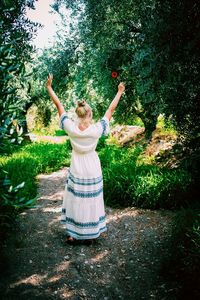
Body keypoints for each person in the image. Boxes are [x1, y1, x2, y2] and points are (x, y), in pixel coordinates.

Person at [46, 74, 125, 243]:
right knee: (91, 200)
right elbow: (110, 110)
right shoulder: (96, 129)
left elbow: (58, 105)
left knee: (76, 199)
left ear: (78, 114)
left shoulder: (70, 127)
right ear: (90, 114)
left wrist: (49, 87)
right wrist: (119, 91)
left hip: (77, 167)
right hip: (92, 168)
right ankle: (90, 234)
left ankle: (72, 234)